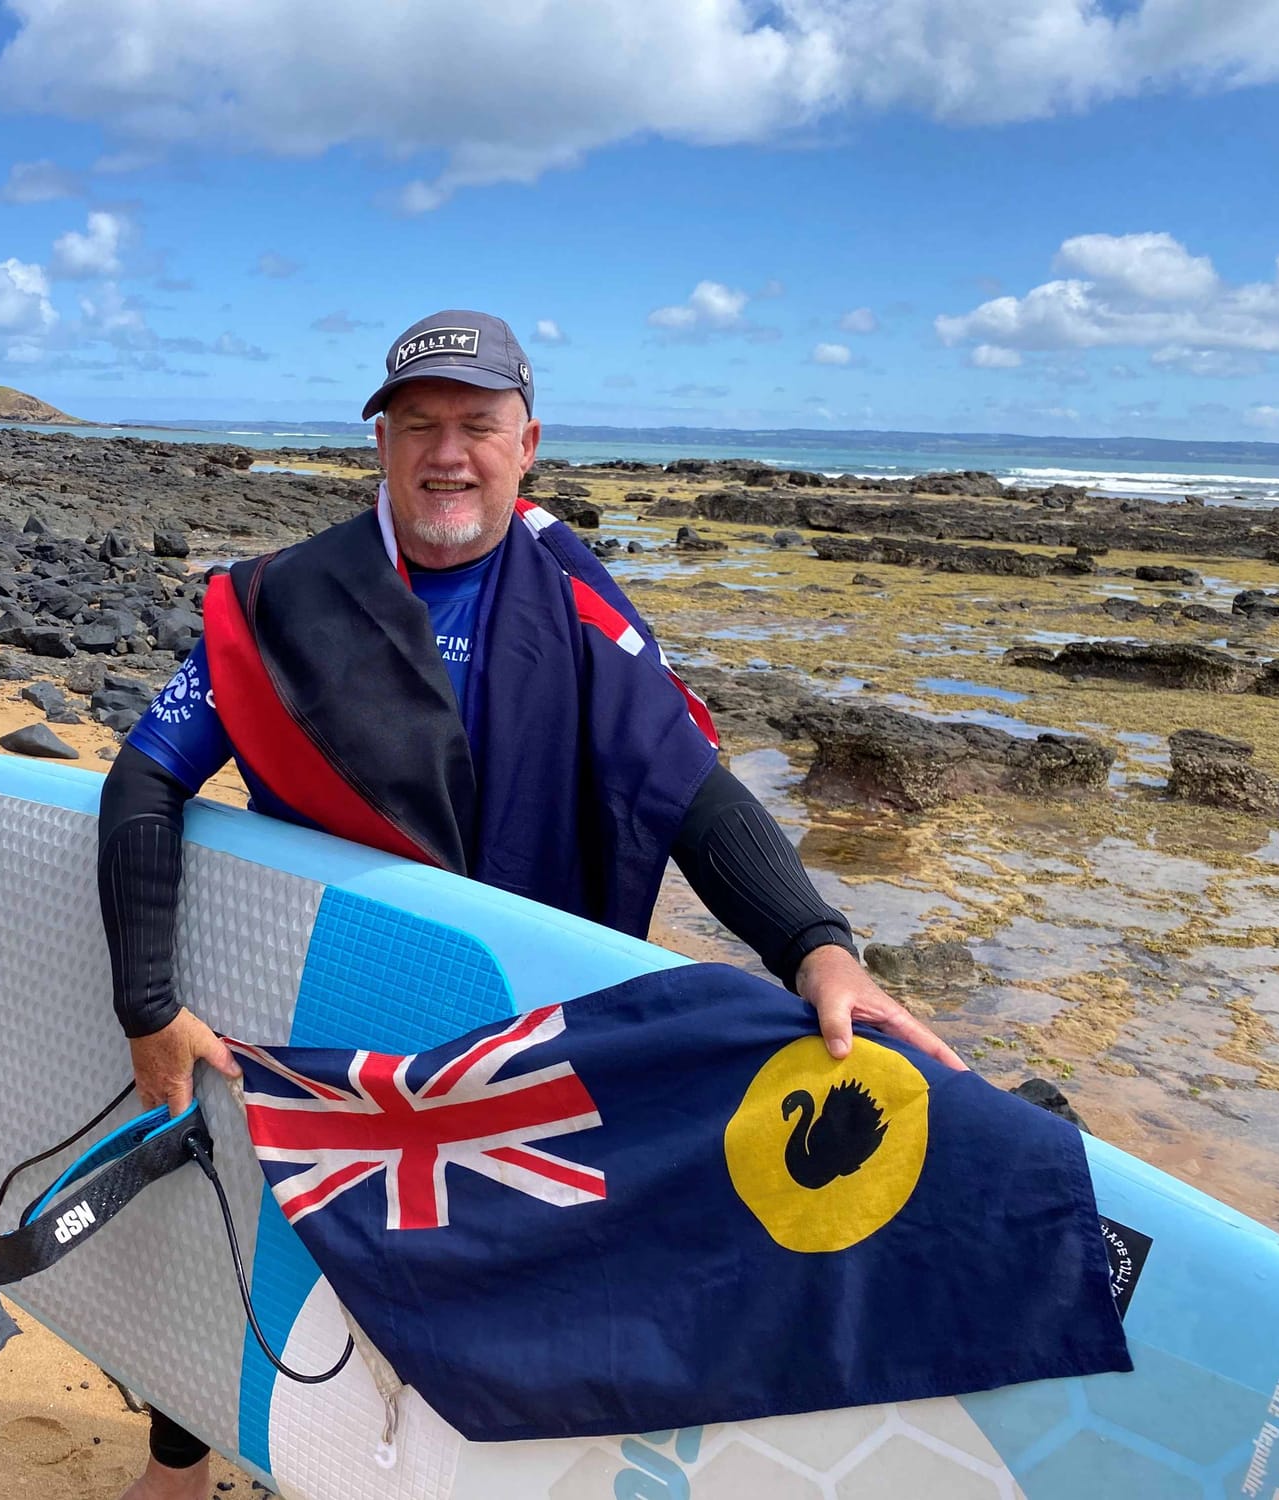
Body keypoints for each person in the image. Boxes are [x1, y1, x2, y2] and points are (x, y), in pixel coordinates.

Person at [97, 309, 964, 1500]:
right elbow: (147, 773)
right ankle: (181, 1459)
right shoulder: (284, 599)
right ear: (381, 448)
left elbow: (687, 789)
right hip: (327, 996)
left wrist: (815, 947)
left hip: (501, 1015)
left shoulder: (581, 609)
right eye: (417, 428)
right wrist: (147, 1000)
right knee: (255, 1220)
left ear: (526, 442)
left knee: (490, 1268)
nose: (445, 455)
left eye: (474, 426)